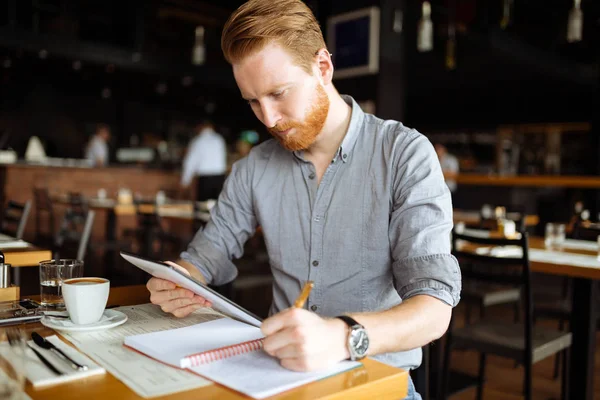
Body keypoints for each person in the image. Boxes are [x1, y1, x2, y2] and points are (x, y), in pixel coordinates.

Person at [147, 1, 461, 398]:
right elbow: (208, 253)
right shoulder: (254, 167)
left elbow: (434, 309)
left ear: (323, 68)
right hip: (281, 380)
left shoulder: (403, 154)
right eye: (253, 101)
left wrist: (342, 337)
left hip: (376, 385)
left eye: (278, 93)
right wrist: (181, 280)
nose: (268, 118)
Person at [181, 121, 227, 201]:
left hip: (205, 179)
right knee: (217, 206)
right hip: (220, 178)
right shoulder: (219, 139)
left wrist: (185, 181)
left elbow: (191, 162)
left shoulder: (198, 140)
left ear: (200, 127)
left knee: (202, 207)